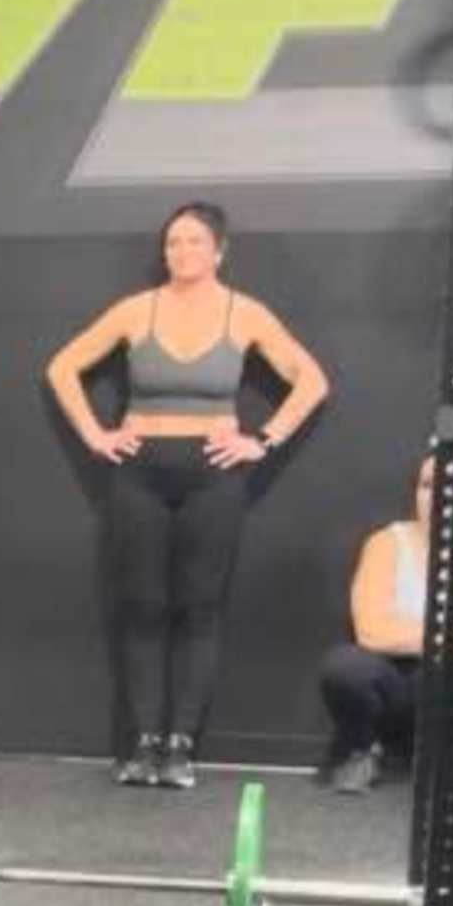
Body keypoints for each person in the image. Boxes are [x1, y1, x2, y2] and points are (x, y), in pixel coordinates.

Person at [46, 201, 335, 788]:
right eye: (173, 242)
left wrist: (264, 440)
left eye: (195, 241)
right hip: (139, 475)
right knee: (143, 607)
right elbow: (61, 367)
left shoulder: (244, 313)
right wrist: (96, 435)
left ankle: (181, 747)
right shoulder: (137, 310)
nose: (181, 251)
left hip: (213, 476)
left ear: (219, 251)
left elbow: (313, 381)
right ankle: (144, 742)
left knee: (199, 608)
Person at [315, 456, 453, 794]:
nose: (435, 496)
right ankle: (364, 751)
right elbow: (371, 632)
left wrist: (414, 633)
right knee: (345, 667)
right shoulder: (387, 542)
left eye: (451, 487)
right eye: (428, 485)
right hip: (399, 681)